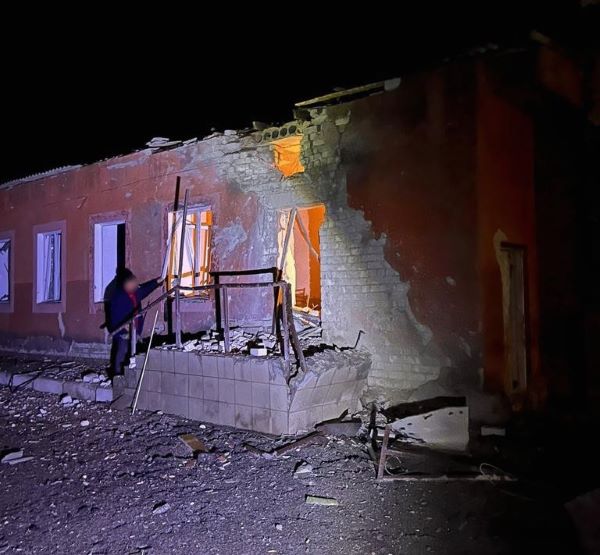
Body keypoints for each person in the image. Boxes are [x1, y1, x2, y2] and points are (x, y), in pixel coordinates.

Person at [105, 268, 163, 378]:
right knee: (122, 350)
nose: (136, 285)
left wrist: (156, 282)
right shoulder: (117, 297)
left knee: (133, 350)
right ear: (126, 284)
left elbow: (145, 289)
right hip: (123, 330)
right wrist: (124, 326)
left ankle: (131, 372)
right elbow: (114, 316)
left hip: (134, 328)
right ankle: (117, 376)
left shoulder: (134, 291)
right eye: (133, 283)